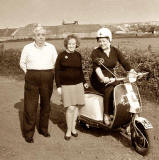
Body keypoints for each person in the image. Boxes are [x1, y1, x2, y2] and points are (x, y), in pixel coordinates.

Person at [20, 24, 58, 143]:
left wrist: (52, 75)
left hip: (47, 76)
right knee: (30, 106)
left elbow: (56, 63)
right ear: (34, 37)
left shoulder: (51, 47)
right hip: (32, 77)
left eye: (43, 35)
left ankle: (43, 129)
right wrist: (28, 73)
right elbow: (22, 62)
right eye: (38, 35)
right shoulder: (27, 48)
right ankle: (28, 133)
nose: (41, 37)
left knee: (46, 105)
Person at [90, 27, 135, 126]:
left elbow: (124, 62)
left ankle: (121, 113)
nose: (102, 43)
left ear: (109, 40)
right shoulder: (95, 52)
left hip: (112, 77)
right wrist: (102, 78)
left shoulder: (115, 50)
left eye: (104, 41)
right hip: (98, 78)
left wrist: (131, 71)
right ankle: (106, 114)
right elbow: (96, 68)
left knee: (122, 89)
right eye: (100, 41)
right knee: (109, 89)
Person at [55, 34, 88, 141]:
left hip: (78, 85)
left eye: (73, 44)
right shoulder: (61, 55)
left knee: (77, 108)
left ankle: (73, 128)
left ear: (76, 44)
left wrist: (84, 82)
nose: (71, 45)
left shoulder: (78, 55)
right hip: (66, 86)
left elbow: (80, 71)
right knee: (70, 108)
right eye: (69, 43)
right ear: (66, 44)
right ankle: (68, 130)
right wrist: (58, 86)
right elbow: (57, 72)